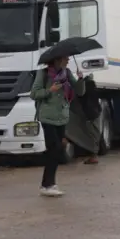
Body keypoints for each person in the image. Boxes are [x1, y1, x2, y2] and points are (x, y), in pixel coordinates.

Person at [30, 56, 85, 197]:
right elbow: (34, 94)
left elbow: (80, 91)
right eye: (65, 59)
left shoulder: (66, 73)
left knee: (58, 150)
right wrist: (51, 90)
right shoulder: (43, 74)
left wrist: (80, 79)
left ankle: (50, 183)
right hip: (47, 117)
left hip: (62, 117)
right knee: (53, 149)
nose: (67, 61)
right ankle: (47, 185)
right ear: (56, 60)